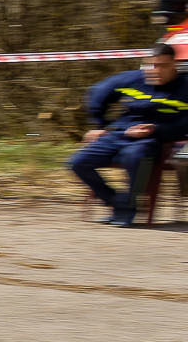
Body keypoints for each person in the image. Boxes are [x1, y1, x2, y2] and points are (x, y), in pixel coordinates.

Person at [69, 43, 188, 226]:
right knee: (78, 162)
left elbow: (184, 124)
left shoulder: (184, 87)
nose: (154, 70)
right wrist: (100, 125)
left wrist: (156, 129)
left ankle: (128, 209)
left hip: (153, 140)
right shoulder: (131, 79)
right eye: (150, 65)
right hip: (119, 134)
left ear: (174, 64)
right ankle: (116, 203)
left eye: (161, 66)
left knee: (134, 155)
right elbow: (97, 92)